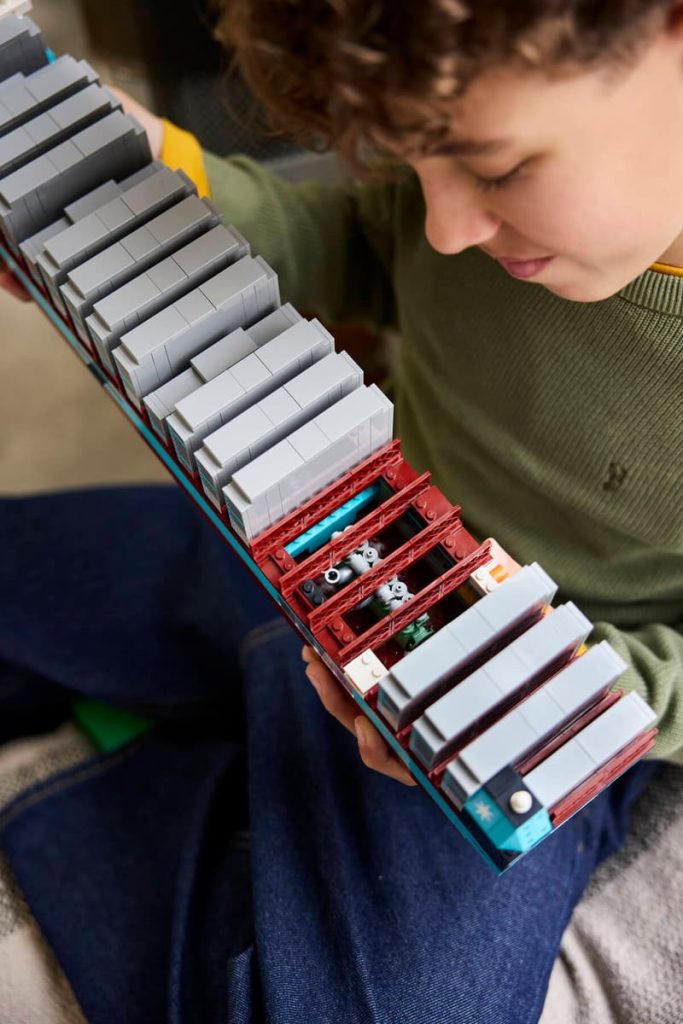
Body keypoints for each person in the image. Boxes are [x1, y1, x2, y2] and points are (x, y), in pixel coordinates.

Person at [0, 2, 680, 1022]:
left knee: (395, 1004)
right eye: (415, 164)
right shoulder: (458, 168)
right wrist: (164, 176)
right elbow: (358, 246)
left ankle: (130, 799)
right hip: (314, 526)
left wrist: (581, 697)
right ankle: (247, 725)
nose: (445, 226)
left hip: (515, 700)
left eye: (495, 170)